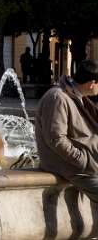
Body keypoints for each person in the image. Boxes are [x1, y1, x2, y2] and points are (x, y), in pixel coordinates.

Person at [35, 59, 98, 202]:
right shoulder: (58, 97)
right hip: (71, 167)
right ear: (92, 83)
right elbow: (56, 139)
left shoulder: (79, 97)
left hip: (84, 166)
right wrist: (82, 160)